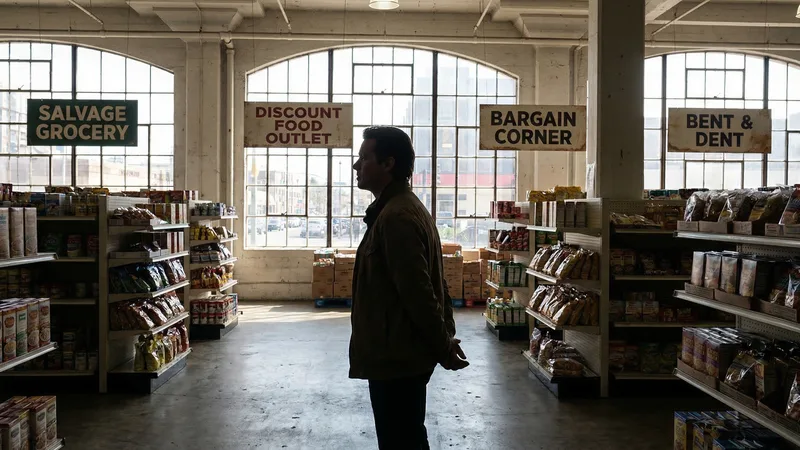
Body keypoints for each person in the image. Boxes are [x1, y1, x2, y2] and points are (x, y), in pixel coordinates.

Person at [349, 126, 469, 450]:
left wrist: (443, 344)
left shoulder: (397, 216)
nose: (356, 166)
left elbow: (419, 291)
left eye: (364, 158)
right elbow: (433, 280)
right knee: (405, 436)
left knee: (401, 440)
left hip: (397, 356)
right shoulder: (399, 208)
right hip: (398, 350)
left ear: (388, 163)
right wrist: (442, 336)